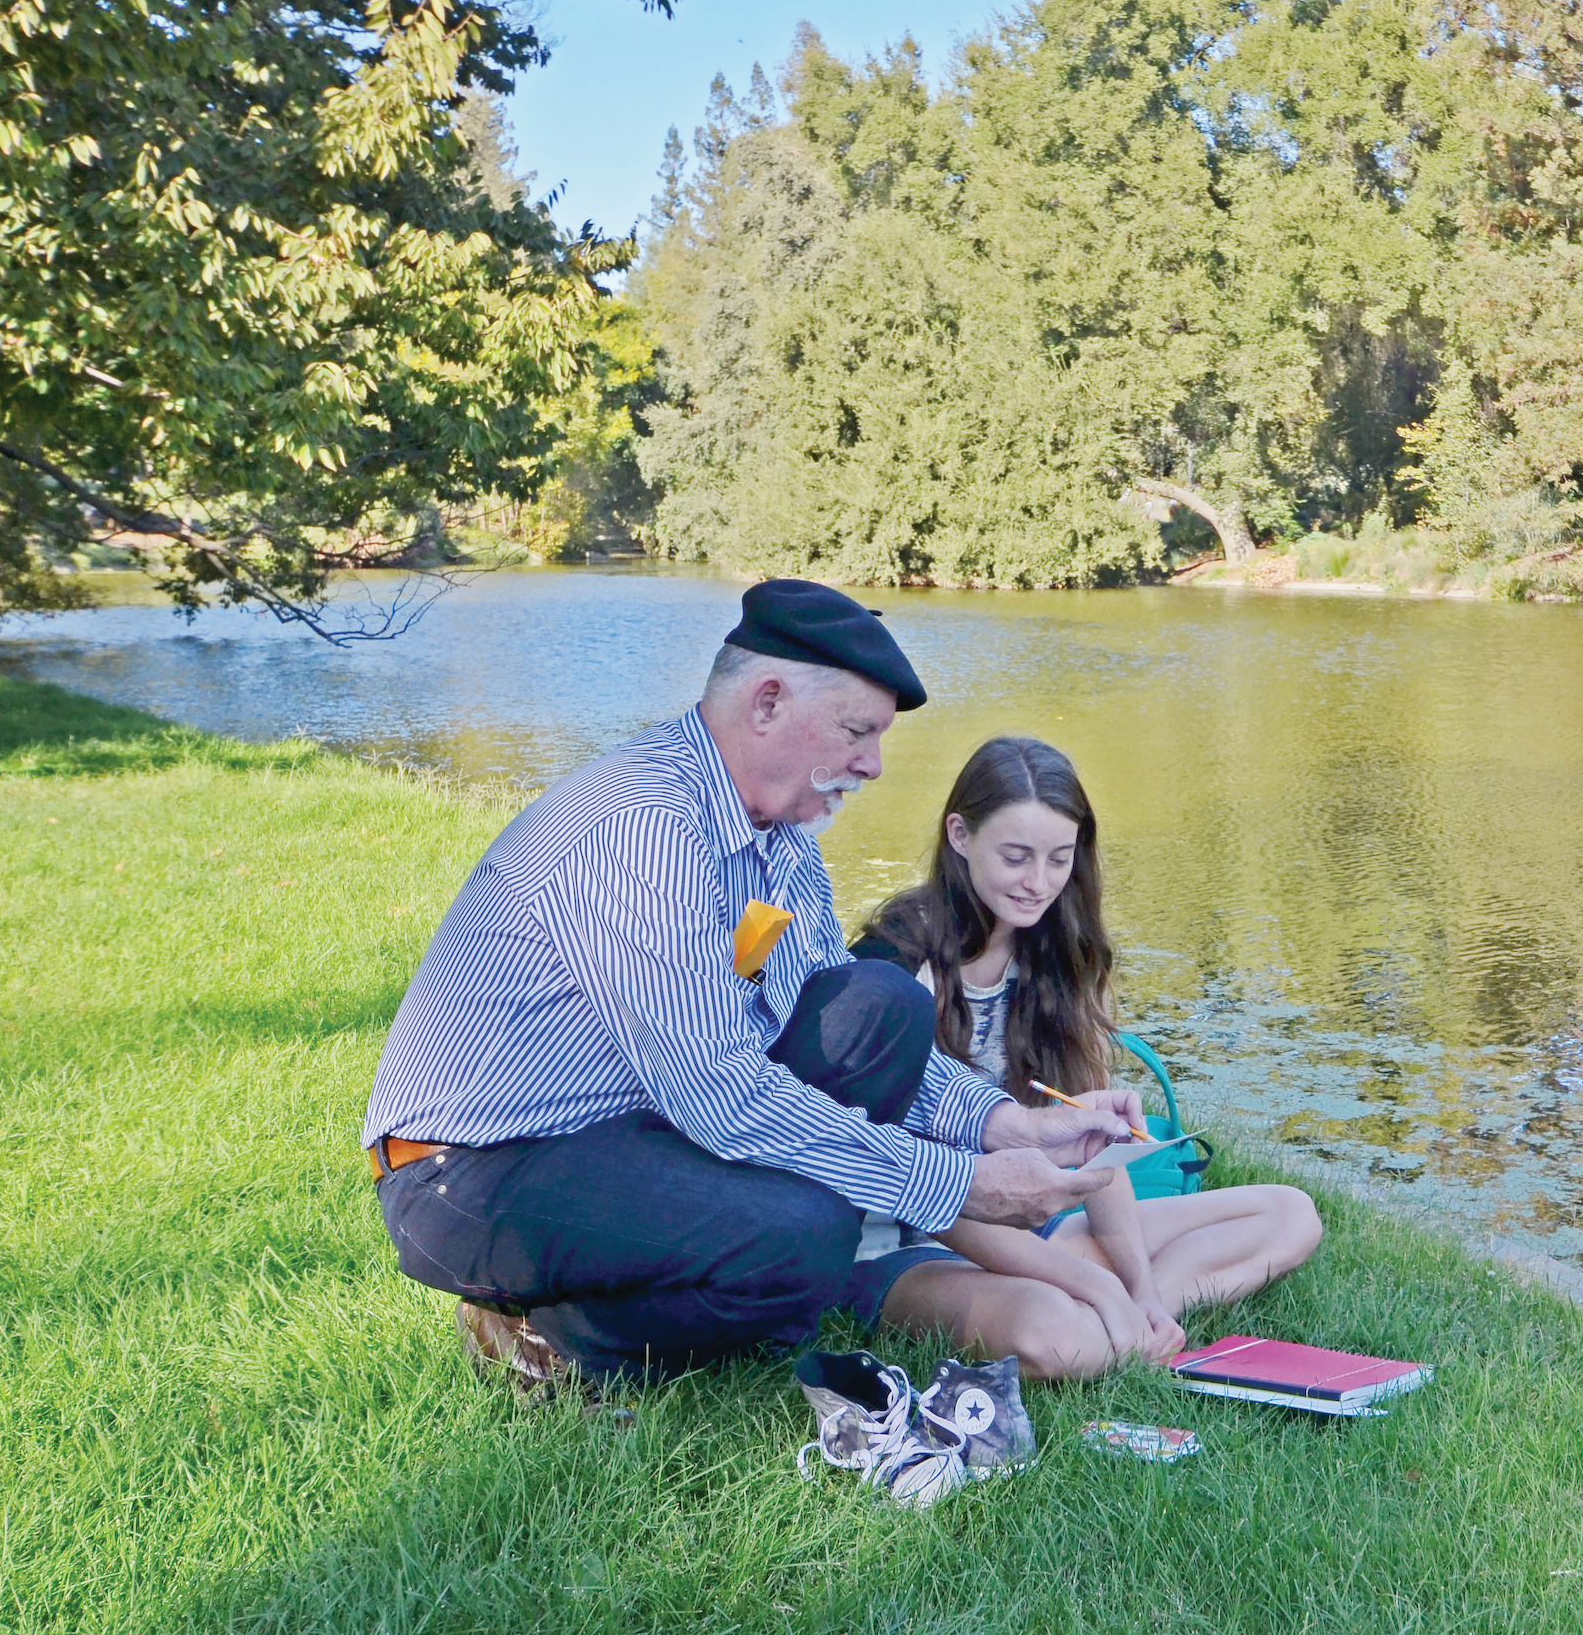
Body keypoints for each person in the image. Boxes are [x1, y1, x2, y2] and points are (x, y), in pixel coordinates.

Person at [362, 581, 1139, 1388]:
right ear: (767, 703)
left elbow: (820, 1015)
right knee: (800, 1239)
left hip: (633, 1122)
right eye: (856, 731)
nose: (872, 763)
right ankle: (551, 1333)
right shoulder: (644, 829)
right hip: (472, 1171)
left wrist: (1010, 1127)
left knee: (881, 1009)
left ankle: (749, 1271)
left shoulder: (781, 839)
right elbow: (722, 1093)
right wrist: (962, 1183)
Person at [850, 736, 1322, 1380]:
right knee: (1060, 1339)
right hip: (911, 1246)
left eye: (1058, 858)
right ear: (960, 835)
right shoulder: (898, 969)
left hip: (1030, 1233)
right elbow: (914, 1189)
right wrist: (1093, 1285)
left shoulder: (1057, 956)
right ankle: (1099, 1311)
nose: (1038, 883)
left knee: (1289, 1214)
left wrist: (1141, 1290)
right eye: (1016, 857)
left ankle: (1148, 1316)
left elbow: (1103, 1154)